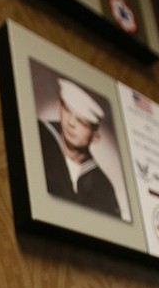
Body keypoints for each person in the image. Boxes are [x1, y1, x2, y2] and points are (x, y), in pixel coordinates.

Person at [38, 77, 122, 217]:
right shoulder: (39, 136)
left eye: (81, 122)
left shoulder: (103, 186)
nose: (71, 122)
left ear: (95, 137)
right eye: (67, 110)